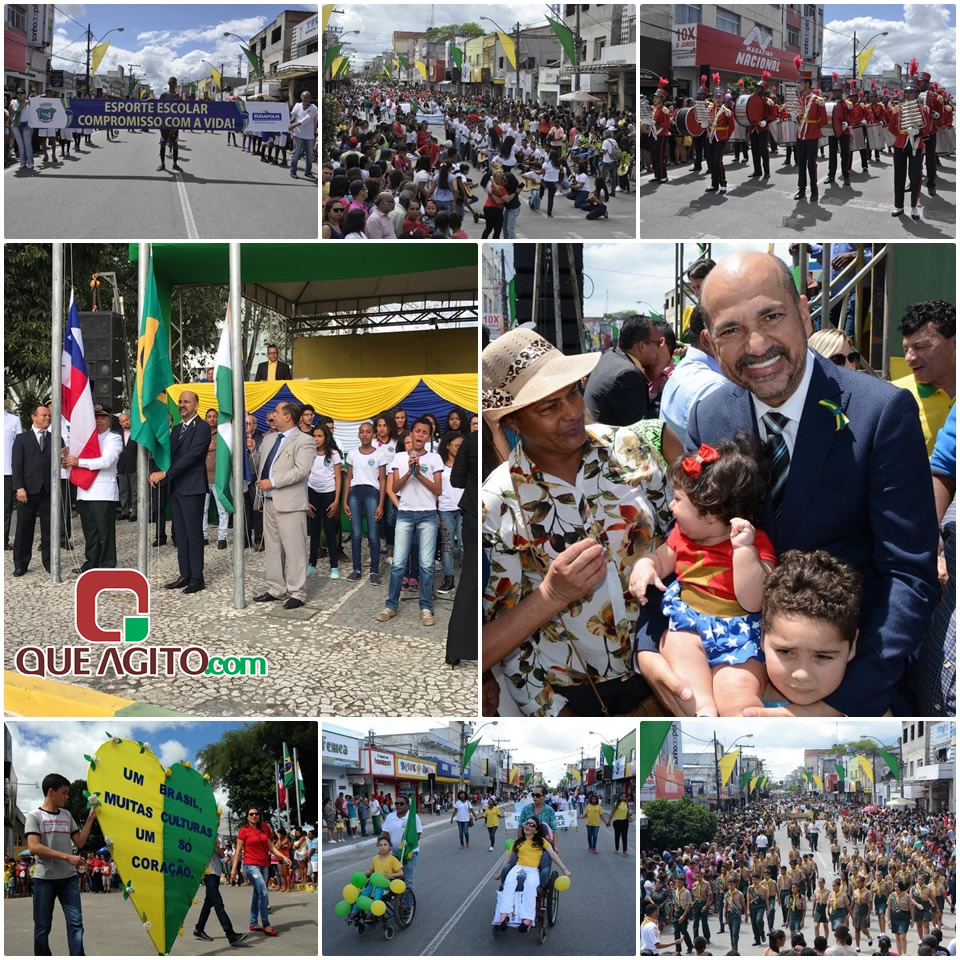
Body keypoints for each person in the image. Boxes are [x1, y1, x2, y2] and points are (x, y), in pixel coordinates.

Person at [636, 251, 940, 717]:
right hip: (726, 676)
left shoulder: (881, 413)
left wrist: (841, 705)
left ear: (803, 311)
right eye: (731, 330)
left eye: (771, 316)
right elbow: (688, 540)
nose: (756, 345)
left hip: (842, 683)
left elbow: (908, 575)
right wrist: (648, 648)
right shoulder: (710, 413)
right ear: (710, 343)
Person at [483, 328, 672, 716]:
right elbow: (503, 634)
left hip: (665, 661)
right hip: (574, 693)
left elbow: (680, 532)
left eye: (572, 392)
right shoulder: (499, 502)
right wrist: (551, 711)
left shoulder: (628, 448)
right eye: (548, 407)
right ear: (514, 422)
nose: (571, 412)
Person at [631, 434, 775, 716]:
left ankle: (742, 720)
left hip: (739, 633)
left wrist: (744, 552)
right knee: (679, 657)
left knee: (737, 691)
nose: (671, 507)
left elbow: (754, 600)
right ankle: (703, 714)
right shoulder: (680, 536)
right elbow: (661, 559)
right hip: (689, 626)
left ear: (709, 514)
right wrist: (646, 566)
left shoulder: (756, 543)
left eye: (678, 500)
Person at [759, 550, 861, 707]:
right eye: (785, 652)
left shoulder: (874, 720)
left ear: (852, 645)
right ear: (762, 637)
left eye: (822, 656)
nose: (802, 674)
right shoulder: (725, 705)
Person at [376, 417, 444, 627]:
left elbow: (438, 490)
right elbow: (394, 488)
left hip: (427, 515)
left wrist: (419, 473)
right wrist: (409, 471)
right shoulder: (398, 458)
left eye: (425, 432)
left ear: (429, 436)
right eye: (417, 432)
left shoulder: (434, 459)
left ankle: (425, 607)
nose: (420, 436)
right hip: (405, 513)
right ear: (411, 433)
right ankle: (391, 605)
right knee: (398, 563)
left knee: (426, 564)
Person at [26, 772, 99, 956]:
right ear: (52, 792)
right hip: (44, 879)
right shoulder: (34, 816)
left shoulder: (67, 815)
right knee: (42, 928)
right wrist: (67, 857)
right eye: (64, 793)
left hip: (68, 879)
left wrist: (90, 818)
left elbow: (80, 841)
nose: (67, 797)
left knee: (76, 924)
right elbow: (34, 847)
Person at [251, 402, 315, 609]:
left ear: (287, 416)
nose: (272, 416)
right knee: (272, 548)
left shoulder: (304, 440)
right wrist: (250, 451)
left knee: (295, 549)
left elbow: (301, 470)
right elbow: (258, 465)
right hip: (268, 501)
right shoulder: (269, 439)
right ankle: (276, 588)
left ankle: (297, 591)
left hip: (290, 502)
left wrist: (274, 482)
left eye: (276, 413)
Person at [149, 391, 211, 594]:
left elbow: (193, 456)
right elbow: (169, 455)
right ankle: (184, 574)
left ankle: (197, 577)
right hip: (176, 487)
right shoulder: (176, 429)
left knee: (193, 534)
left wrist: (165, 473)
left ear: (196, 405)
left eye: (186, 402)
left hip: (192, 487)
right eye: (180, 402)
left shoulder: (202, 428)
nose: (182, 405)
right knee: (180, 534)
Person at [61, 403, 123, 573]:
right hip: (84, 491)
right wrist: (67, 459)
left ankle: (107, 564)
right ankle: (91, 562)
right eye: (96, 418)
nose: (99, 421)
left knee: (105, 532)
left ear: (109, 420)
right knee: (90, 532)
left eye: (103, 417)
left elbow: (106, 461)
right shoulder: (85, 441)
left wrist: (78, 462)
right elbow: (72, 463)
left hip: (103, 492)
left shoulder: (114, 438)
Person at [493, 817, 570, 933]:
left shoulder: (542, 842)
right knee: (508, 885)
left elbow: (552, 854)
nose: (527, 826)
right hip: (517, 867)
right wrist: (500, 872)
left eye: (531, 824)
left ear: (537, 830)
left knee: (531, 886)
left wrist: (564, 869)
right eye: (526, 823)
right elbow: (508, 857)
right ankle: (504, 916)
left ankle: (527, 919)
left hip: (533, 869)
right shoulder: (518, 842)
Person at [582, 315, 654, 426]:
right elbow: (643, 429)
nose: (660, 348)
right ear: (642, 346)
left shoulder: (610, 355)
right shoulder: (628, 375)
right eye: (658, 343)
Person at [229, 807, 291, 937]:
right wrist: (234, 869)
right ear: (247, 816)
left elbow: (271, 847)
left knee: (257, 894)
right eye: (251, 814)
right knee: (263, 892)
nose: (254, 816)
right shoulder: (244, 831)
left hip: (264, 865)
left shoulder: (265, 828)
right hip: (250, 865)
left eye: (256, 813)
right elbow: (238, 851)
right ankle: (266, 924)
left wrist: (283, 856)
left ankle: (253, 923)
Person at [446, 427, 477, 666]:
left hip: (475, 514)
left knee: (469, 579)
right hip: (503, 513)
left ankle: (456, 650)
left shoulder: (471, 441)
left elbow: (456, 480)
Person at [11, 404, 52, 576]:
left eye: (49, 416)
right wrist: (19, 487)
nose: (47, 418)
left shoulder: (56, 438)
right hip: (27, 490)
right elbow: (17, 465)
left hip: (49, 491)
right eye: (44, 415)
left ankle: (50, 561)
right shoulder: (22, 439)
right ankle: (21, 563)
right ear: (33, 417)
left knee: (49, 529)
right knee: (23, 529)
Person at [888, 67, 934, 220]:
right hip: (901, 145)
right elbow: (891, 127)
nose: (907, 95)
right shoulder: (897, 109)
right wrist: (903, 133)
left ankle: (914, 206)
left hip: (916, 146)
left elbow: (927, 127)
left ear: (917, 94)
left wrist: (918, 133)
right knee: (899, 176)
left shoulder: (924, 109)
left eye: (911, 92)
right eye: (906, 92)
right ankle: (899, 205)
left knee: (915, 176)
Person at [343, 421, 384, 583]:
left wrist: (381, 504)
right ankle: (356, 569)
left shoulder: (379, 455)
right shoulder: (353, 454)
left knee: (373, 534)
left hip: (372, 493)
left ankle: (374, 571)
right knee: (357, 533)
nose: (365, 434)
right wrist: (345, 501)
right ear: (358, 434)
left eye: (368, 431)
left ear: (373, 434)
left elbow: (382, 480)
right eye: (362, 432)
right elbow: (349, 478)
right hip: (355, 493)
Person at [193, 839, 248, 946]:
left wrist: (217, 845)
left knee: (208, 904)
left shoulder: (215, 839)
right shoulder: (200, 837)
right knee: (218, 903)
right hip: (208, 874)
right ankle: (230, 934)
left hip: (216, 873)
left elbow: (222, 856)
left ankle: (199, 929)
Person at [306, 423, 342, 580]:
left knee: (329, 530)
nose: (316, 439)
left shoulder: (333, 454)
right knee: (314, 530)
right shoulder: (308, 453)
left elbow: (339, 479)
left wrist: (336, 501)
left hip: (329, 493)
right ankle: (312, 563)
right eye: (314, 436)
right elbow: (304, 475)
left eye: (320, 436)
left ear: (326, 437)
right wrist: (305, 500)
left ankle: (334, 566)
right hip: (312, 492)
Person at [792, 62, 828, 201]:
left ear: (807, 84)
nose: (798, 86)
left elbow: (823, 120)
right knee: (800, 163)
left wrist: (812, 125)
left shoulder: (818, 101)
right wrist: (794, 117)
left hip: (812, 136)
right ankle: (801, 190)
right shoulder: (798, 100)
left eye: (800, 83)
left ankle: (814, 191)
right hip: (800, 135)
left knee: (811, 164)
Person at [436, 430, 464, 597]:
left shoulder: (466, 464)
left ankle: (468, 580)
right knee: (447, 546)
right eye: (456, 445)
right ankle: (448, 579)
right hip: (445, 509)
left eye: (461, 446)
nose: (459, 449)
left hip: (463, 510)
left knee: (463, 545)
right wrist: (435, 510)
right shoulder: (439, 465)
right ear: (447, 446)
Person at [201, 409, 229, 549]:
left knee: (222, 509)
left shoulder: (223, 434)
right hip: (203, 477)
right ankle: (204, 535)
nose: (212, 419)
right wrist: (208, 447)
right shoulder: (201, 434)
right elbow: (194, 451)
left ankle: (222, 537)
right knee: (203, 509)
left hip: (219, 477)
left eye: (214, 416)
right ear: (205, 419)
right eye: (209, 417)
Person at [381, 796, 422, 889]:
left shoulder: (413, 817)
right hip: (395, 854)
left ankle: (407, 903)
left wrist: (406, 848)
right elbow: (385, 833)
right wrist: (386, 847)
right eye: (396, 804)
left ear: (407, 806)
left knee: (408, 879)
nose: (398, 806)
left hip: (409, 853)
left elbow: (418, 835)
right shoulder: (390, 817)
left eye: (401, 804)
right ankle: (397, 900)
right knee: (396, 878)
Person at [289, 90, 317, 179]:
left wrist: (294, 125)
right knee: (296, 153)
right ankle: (293, 171)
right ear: (301, 97)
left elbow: (307, 119)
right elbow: (292, 116)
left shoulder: (314, 108)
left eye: (308, 97)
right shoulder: (297, 106)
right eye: (304, 97)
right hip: (298, 134)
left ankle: (308, 171)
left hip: (309, 135)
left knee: (309, 155)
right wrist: (286, 112)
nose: (306, 99)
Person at [115, 412, 137, 522]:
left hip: (134, 465)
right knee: (123, 490)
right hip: (122, 465)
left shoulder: (136, 432)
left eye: (127, 420)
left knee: (135, 490)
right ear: (120, 423)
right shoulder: (117, 434)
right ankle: (124, 511)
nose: (126, 422)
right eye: (123, 421)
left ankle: (134, 512)